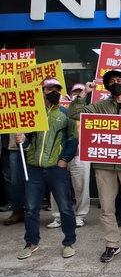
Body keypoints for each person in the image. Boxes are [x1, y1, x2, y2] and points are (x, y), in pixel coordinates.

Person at [68, 68, 121, 263]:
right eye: (111, 81)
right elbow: (74, 114)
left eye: (119, 80)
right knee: (106, 208)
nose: (115, 83)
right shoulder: (99, 105)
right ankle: (112, 244)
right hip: (104, 165)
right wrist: (84, 94)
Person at [15, 77, 78, 259]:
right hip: (33, 168)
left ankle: (69, 242)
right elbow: (28, 140)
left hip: (56, 169)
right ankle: (31, 243)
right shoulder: (33, 113)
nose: (55, 93)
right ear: (42, 91)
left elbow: (73, 139)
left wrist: (64, 159)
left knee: (65, 207)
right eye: (50, 89)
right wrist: (22, 140)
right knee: (32, 207)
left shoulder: (66, 114)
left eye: (58, 89)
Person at [47, 83, 91, 229]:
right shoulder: (59, 109)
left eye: (80, 92)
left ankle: (80, 216)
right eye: (74, 92)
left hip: (80, 153)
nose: (77, 94)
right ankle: (58, 216)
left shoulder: (88, 108)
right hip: (59, 153)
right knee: (57, 186)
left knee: (81, 186)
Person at [1, 133, 27, 225]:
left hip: (36, 145)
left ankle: (32, 211)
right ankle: (17, 210)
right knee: (15, 181)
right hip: (14, 145)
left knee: (34, 181)